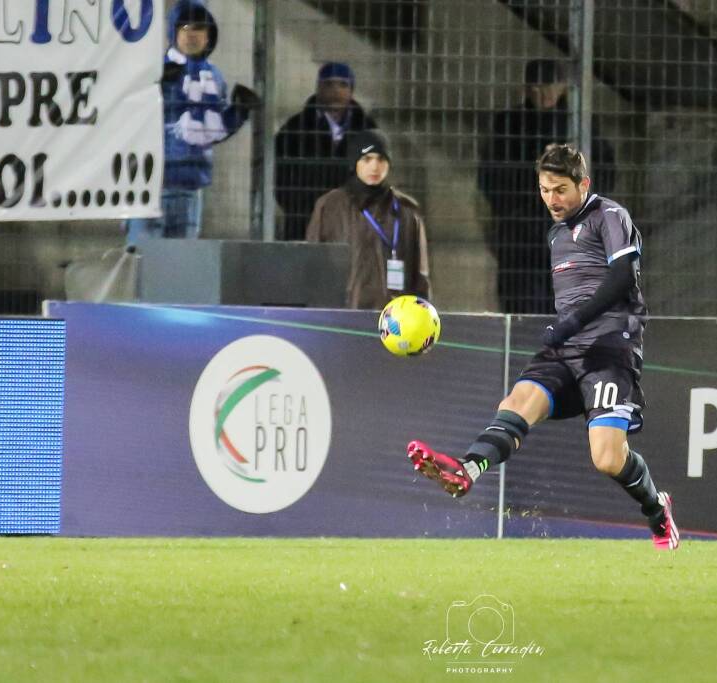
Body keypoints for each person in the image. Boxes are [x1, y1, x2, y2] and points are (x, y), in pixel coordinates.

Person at [409, 143, 678, 551]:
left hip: (609, 347)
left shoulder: (610, 216)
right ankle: (467, 468)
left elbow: (622, 277)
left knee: (607, 458)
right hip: (566, 349)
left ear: (583, 184)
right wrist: (566, 327)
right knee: (517, 402)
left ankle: (657, 510)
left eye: (561, 189)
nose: (552, 199)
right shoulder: (555, 233)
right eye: (545, 189)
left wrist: (573, 321)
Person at [478, 59, 617, 314]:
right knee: (522, 310)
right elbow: (490, 176)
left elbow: (606, 173)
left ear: (562, 87)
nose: (542, 94)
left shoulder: (580, 125)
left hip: (569, 233)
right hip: (522, 235)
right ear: (526, 90)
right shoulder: (510, 124)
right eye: (536, 88)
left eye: (548, 86)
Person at [125, 0, 257, 246]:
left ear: (210, 35)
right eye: (186, 27)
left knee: (181, 264)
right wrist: (155, 86)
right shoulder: (153, 68)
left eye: (200, 28)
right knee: (142, 261)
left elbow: (210, 131)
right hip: (149, 184)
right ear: (174, 31)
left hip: (190, 185)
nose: (193, 34)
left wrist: (237, 113)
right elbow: (128, 116)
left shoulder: (214, 76)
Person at [306, 130, 431, 310]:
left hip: (395, 319)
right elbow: (314, 266)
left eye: (381, 159)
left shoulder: (407, 210)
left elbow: (420, 275)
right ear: (355, 163)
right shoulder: (331, 206)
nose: (374, 167)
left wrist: (422, 312)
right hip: (344, 314)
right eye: (367, 159)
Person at [275, 62, 378, 241]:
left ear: (351, 90)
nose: (336, 91)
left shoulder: (367, 130)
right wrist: (302, 208)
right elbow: (282, 178)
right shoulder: (295, 128)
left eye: (342, 85)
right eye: (329, 84)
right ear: (318, 88)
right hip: (304, 221)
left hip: (353, 222)